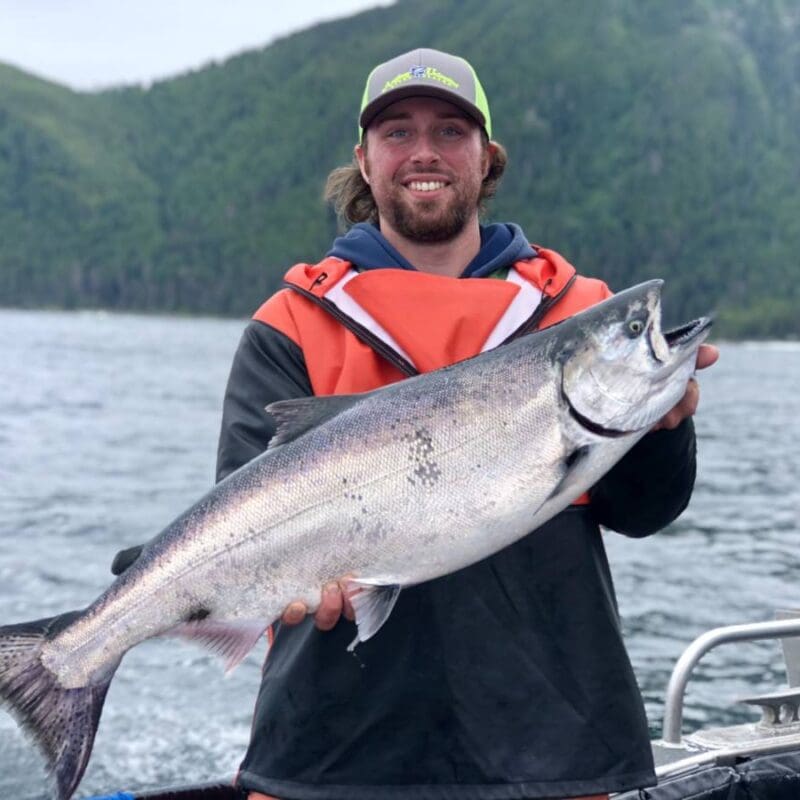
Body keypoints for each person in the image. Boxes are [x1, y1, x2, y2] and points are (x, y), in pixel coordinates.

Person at [116, 48, 717, 800]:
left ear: (486, 159)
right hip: (333, 755)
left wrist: (663, 429)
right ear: (364, 162)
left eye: (450, 132)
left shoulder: (576, 311)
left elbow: (644, 512)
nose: (424, 152)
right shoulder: (292, 324)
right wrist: (282, 582)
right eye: (397, 132)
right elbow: (244, 512)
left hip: (555, 747)